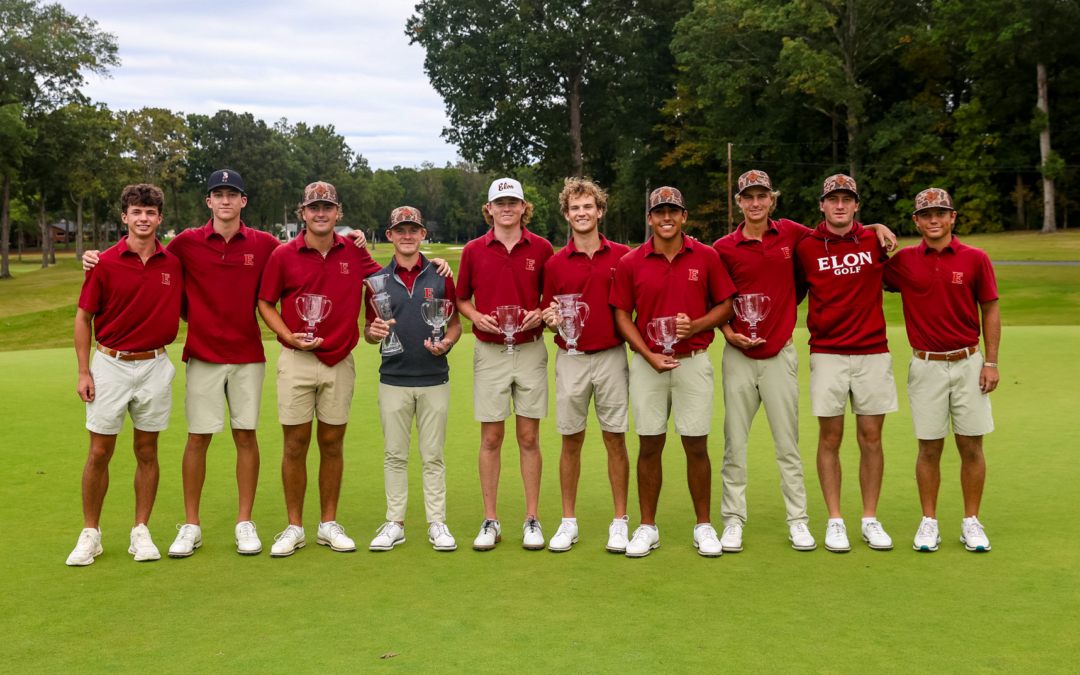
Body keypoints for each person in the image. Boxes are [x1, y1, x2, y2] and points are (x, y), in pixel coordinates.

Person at [84, 170, 282, 557]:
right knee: (198, 438)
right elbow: (140, 250)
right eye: (218, 194)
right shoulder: (185, 243)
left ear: (244, 201)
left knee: (246, 435)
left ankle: (245, 522)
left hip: (248, 356)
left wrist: (355, 241)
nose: (225, 200)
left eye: (233, 194)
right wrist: (97, 255)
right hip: (203, 355)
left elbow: (304, 249)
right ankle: (191, 525)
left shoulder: (265, 244)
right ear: (208, 201)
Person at [713, 171, 898, 553]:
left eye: (762, 195)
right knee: (735, 443)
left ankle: (798, 521)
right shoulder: (723, 247)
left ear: (772, 200)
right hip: (739, 356)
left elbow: (843, 235)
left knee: (788, 444)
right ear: (739, 202)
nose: (755, 203)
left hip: (781, 353)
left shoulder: (794, 236)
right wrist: (728, 333)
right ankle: (733, 521)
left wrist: (877, 225)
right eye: (748, 196)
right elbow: (715, 298)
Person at [257, 182, 383, 557]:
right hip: (296, 360)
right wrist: (289, 337)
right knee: (295, 445)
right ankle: (295, 526)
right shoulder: (283, 254)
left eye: (327, 206)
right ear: (303, 212)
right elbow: (265, 303)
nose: (321, 213)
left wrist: (434, 263)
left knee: (332, 443)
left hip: (339, 359)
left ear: (338, 212)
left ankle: (328, 524)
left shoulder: (354, 252)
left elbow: (389, 279)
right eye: (314, 207)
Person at [609, 186, 736, 558]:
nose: (666, 218)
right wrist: (646, 353)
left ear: (684, 216)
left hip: (693, 361)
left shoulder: (707, 256)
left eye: (673, 211)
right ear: (649, 218)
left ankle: (704, 526)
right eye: (659, 211)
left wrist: (695, 326)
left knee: (696, 444)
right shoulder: (632, 261)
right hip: (649, 365)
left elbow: (726, 306)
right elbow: (621, 315)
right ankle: (648, 527)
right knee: (649, 444)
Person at [67, 184, 183, 565]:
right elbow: (84, 318)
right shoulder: (103, 262)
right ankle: (91, 533)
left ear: (160, 218)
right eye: (137, 212)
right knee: (100, 451)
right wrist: (84, 372)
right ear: (125, 217)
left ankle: (140, 531)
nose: (144, 218)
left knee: (147, 451)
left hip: (154, 365)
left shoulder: (173, 263)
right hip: (110, 364)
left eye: (150, 212)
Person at [884, 188, 999, 552]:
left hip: (968, 362)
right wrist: (872, 227)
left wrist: (992, 362)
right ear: (916, 221)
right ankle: (929, 522)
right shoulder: (902, 261)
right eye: (926, 214)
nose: (933, 219)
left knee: (970, 445)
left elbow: (990, 310)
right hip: (926, 365)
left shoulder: (976, 258)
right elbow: (865, 267)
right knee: (929, 447)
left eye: (940, 213)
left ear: (953, 217)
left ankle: (971, 522)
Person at [794, 174, 897, 553]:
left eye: (847, 199)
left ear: (857, 205)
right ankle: (835, 520)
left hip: (872, 350)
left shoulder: (874, 240)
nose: (839, 205)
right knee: (830, 438)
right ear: (821, 205)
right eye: (832, 199)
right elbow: (790, 293)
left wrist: (875, 226)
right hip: (827, 352)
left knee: (871, 437)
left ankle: (869, 519)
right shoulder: (805, 246)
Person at [455, 177, 554, 551]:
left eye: (514, 202)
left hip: (530, 349)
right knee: (491, 437)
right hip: (490, 351)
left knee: (529, 437)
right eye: (501, 202)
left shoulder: (542, 248)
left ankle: (531, 518)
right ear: (489, 209)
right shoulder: (473, 250)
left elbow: (553, 299)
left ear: (524, 207)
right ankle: (491, 519)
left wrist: (541, 313)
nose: (507, 208)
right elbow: (462, 298)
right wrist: (475, 317)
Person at [540, 178, 632, 553]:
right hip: (571, 359)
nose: (581, 213)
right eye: (574, 208)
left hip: (611, 356)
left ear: (599, 210)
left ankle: (620, 521)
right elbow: (548, 307)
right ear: (566, 214)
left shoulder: (624, 256)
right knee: (571, 440)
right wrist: (548, 317)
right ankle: (568, 522)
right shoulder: (555, 263)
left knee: (615, 438)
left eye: (587, 206)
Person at [363, 206, 462, 552]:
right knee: (395, 455)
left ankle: (437, 523)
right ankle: (395, 523)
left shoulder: (441, 274)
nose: (407, 235)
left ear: (423, 234)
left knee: (433, 455)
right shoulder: (376, 280)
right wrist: (373, 333)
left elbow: (455, 323)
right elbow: (368, 330)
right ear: (389, 235)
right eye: (400, 230)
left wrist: (447, 342)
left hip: (434, 377)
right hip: (393, 377)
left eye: (413, 229)